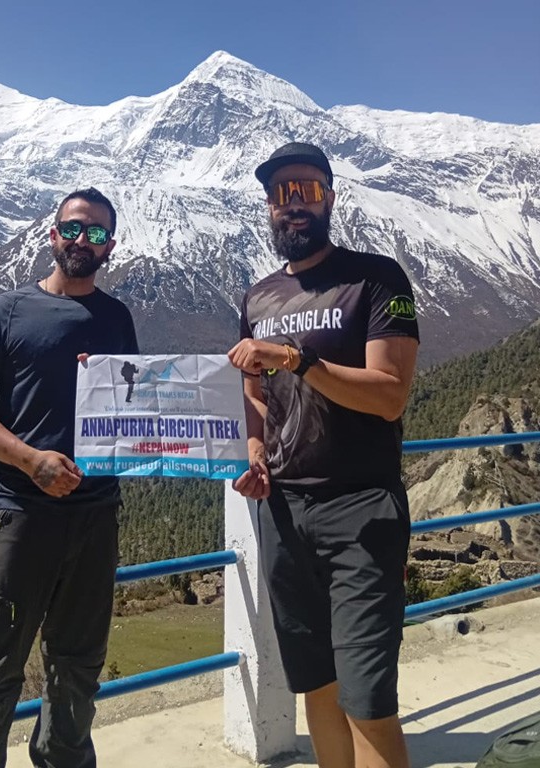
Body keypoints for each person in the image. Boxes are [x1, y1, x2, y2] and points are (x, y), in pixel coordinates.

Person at [228, 142, 420, 768]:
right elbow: (255, 398)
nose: (293, 204)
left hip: (361, 507)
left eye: (305, 190)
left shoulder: (378, 278)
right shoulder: (256, 298)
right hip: (284, 511)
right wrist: (256, 451)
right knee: (317, 685)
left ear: (330, 197)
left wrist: (299, 360)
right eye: (280, 194)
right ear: (268, 208)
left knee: (368, 700)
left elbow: (390, 395)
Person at [0, 188, 139, 768]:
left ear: (109, 247)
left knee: (78, 672)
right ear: (52, 235)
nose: (84, 241)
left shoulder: (116, 317)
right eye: (74, 229)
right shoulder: (8, 311)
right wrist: (31, 460)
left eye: (97, 233)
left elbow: (132, 403)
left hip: (95, 516)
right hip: (19, 516)